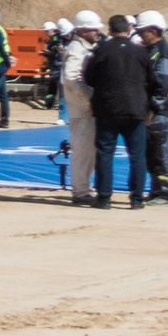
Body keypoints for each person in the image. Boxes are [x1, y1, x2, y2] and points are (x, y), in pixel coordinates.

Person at [82, 12, 152, 207]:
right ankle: (137, 199)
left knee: (105, 153)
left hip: (107, 108)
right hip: (136, 109)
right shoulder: (141, 52)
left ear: (110, 31)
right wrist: (150, 107)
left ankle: (104, 197)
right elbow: (152, 81)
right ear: (129, 29)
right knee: (137, 155)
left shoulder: (101, 51)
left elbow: (89, 78)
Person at [136, 11, 168, 205]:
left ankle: (166, 192)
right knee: (150, 153)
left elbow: (163, 84)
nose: (139, 35)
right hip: (149, 110)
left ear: (153, 31)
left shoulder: (163, 52)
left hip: (158, 112)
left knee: (159, 153)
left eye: (142, 31)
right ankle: (156, 189)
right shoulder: (150, 50)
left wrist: (153, 110)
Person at [60, 11, 103, 204]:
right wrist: (89, 100)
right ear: (83, 30)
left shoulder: (84, 47)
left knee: (89, 152)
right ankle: (80, 192)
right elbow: (72, 78)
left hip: (86, 110)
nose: (97, 32)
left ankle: (83, 189)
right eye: (94, 29)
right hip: (82, 110)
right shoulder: (77, 49)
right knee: (83, 152)